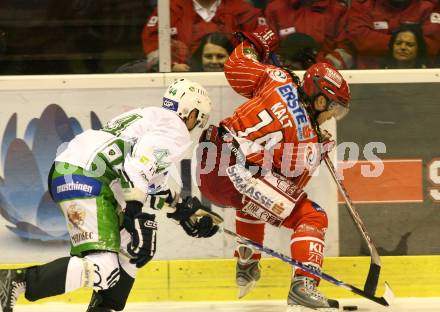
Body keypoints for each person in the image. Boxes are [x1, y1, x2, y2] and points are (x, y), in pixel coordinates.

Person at [0, 78, 222, 312]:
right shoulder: (174, 130)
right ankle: (17, 279)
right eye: (198, 119)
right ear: (191, 111)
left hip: (77, 174)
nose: (195, 125)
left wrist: (181, 210)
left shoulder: (148, 117)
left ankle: (103, 308)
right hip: (88, 179)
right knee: (105, 268)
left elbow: (150, 183)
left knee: (130, 251)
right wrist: (134, 214)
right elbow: (137, 169)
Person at [196, 26, 351, 311]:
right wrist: (318, 150)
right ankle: (303, 285)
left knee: (253, 196)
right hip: (236, 170)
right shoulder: (307, 138)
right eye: (334, 108)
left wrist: (253, 44)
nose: (332, 116)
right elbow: (290, 189)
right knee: (312, 217)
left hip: (209, 159)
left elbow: (236, 67)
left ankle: (247, 263)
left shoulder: (278, 77)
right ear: (319, 100)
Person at [141, 0, 266, 72]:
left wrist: (243, 66)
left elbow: (260, 43)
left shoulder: (242, 9)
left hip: (232, 82)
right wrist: (170, 66)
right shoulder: (170, 8)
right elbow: (152, 43)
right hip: (181, 81)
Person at [346, 0, 439, 69]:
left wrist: (390, 43)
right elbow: (362, 40)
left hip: (421, 78)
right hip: (371, 79)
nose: (402, 47)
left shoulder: (430, 6)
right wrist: (409, 43)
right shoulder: (363, 5)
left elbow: (432, 44)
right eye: (399, 43)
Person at [265, 0, 352, 69]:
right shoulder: (276, 9)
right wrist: (286, 67)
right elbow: (267, 48)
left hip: (326, 82)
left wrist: (319, 68)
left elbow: (347, 49)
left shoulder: (338, 10)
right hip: (283, 81)